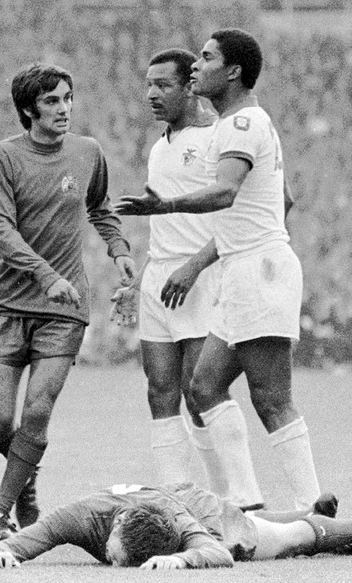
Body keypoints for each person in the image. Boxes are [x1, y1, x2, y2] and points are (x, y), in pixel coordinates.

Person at [116, 29, 320, 510]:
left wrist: (164, 208)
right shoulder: (232, 124)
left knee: (270, 396)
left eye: (205, 59)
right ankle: (244, 503)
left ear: (232, 71)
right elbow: (280, 197)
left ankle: (315, 509)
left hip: (259, 267)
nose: (196, 67)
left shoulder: (241, 124)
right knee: (203, 386)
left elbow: (227, 191)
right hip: (241, 267)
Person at [0, 63, 135, 541]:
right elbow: (0, 229)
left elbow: (100, 208)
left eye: (67, 98)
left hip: (64, 307)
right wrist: (44, 275)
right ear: (28, 109)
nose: (64, 108)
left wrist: (120, 249)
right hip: (10, 302)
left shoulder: (88, 152)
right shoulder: (3, 157)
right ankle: (25, 482)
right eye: (52, 101)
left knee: (38, 411)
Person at [110, 48, 250, 504]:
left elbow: (233, 220)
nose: (151, 94)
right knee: (159, 391)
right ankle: (177, 494)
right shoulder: (158, 148)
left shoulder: (215, 139)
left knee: (199, 392)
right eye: (148, 85)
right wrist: (137, 283)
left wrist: (193, 267)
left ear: (190, 86)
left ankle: (229, 497)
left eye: (163, 85)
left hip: (202, 276)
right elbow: (163, 227)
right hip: (160, 282)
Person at [0, 483, 347, 569]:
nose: (109, 564)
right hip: (170, 498)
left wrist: (184, 561)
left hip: (202, 512)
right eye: (111, 554)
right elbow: (18, 543)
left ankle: (320, 524)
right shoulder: (81, 516)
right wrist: (0, 553)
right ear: (116, 523)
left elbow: (218, 553)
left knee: (287, 540)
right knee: (253, 522)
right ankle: (313, 510)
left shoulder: (179, 522)